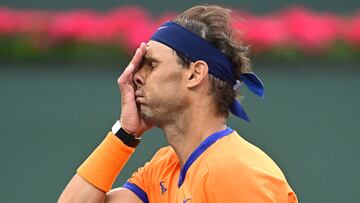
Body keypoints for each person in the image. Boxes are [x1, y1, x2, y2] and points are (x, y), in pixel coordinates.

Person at [58, 5, 298, 203]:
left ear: (195, 74)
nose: (135, 76)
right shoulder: (166, 166)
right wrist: (125, 133)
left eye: (151, 64)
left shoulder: (235, 172)